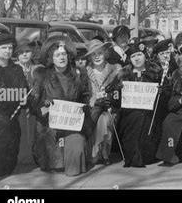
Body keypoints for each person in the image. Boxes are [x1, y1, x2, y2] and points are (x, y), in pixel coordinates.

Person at [30, 36, 92, 176]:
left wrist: (83, 108)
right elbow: (33, 105)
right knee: (53, 159)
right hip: (50, 126)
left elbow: (85, 97)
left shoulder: (78, 74)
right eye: (57, 55)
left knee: (75, 157)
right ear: (51, 58)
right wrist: (46, 107)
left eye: (64, 54)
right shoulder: (42, 76)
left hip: (72, 124)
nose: (61, 57)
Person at [111, 42, 164, 167]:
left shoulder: (156, 72)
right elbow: (115, 98)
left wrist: (162, 92)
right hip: (129, 114)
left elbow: (164, 96)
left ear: (144, 55)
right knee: (132, 125)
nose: (137, 58)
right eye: (133, 56)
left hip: (150, 114)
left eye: (139, 55)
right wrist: (118, 91)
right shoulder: (123, 75)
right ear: (130, 59)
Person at [0, 34, 29, 177]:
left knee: (9, 154)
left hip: (12, 121)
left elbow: (24, 91)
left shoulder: (16, 70)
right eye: (3, 47)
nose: (7, 51)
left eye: (10, 48)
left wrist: (25, 100)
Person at [85, 39, 121, 165]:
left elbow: (120, 92)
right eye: (93, 54)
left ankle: (103, 150)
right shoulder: (84, 72)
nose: (97, 57)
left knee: (104, 119)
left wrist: (111, 99)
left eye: (99, 53)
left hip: (109, 108)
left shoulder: (115, 70)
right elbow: (83, 94)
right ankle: (96, 150)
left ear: (105, 53)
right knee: (96, 117)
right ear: (89, 57)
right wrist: (94, 101)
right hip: (91, 109)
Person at [14, 39, 41, 166]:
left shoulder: (38, 69)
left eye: (27, 51)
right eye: (21, 52)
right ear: (17, 54)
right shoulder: (12, 69)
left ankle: (33, 157)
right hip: (16, 109)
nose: (24, 54)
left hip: (34, 108)